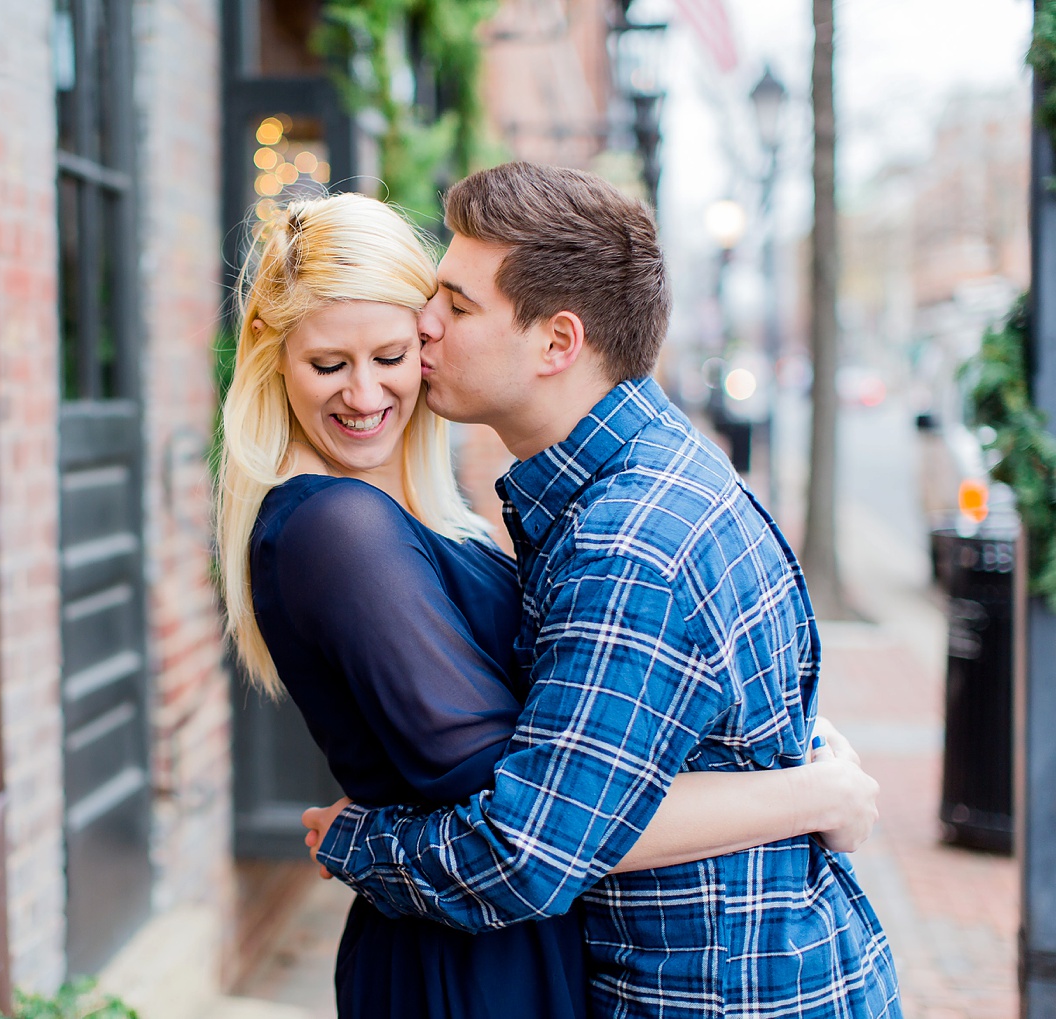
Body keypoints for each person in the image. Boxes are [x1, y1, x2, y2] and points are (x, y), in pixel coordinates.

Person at [219, 190, 884, 1019]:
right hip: (467, 962)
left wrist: (802, 762)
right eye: (328, 364)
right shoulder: (339, 525)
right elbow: (535, 828)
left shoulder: (558, 517)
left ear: (557, 340)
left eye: (418, 330)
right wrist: (809, 794)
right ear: (275, 360)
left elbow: (588, 767)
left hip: (526, 948)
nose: (373, 384)